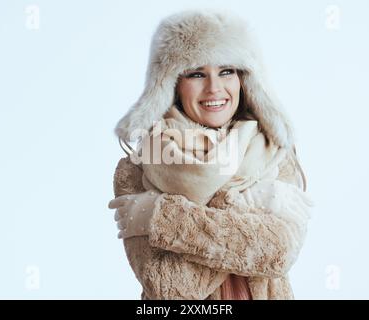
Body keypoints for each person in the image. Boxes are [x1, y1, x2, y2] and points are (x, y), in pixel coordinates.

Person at [108, 9, 313, 300]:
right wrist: (246, 208)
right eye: (196, 74)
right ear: (172, 84)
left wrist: (160, 215)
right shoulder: (138, 166)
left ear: (244, 79)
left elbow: (277, 253)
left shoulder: (274, 152)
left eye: (226, 71)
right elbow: (174, 288)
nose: (214, 88)